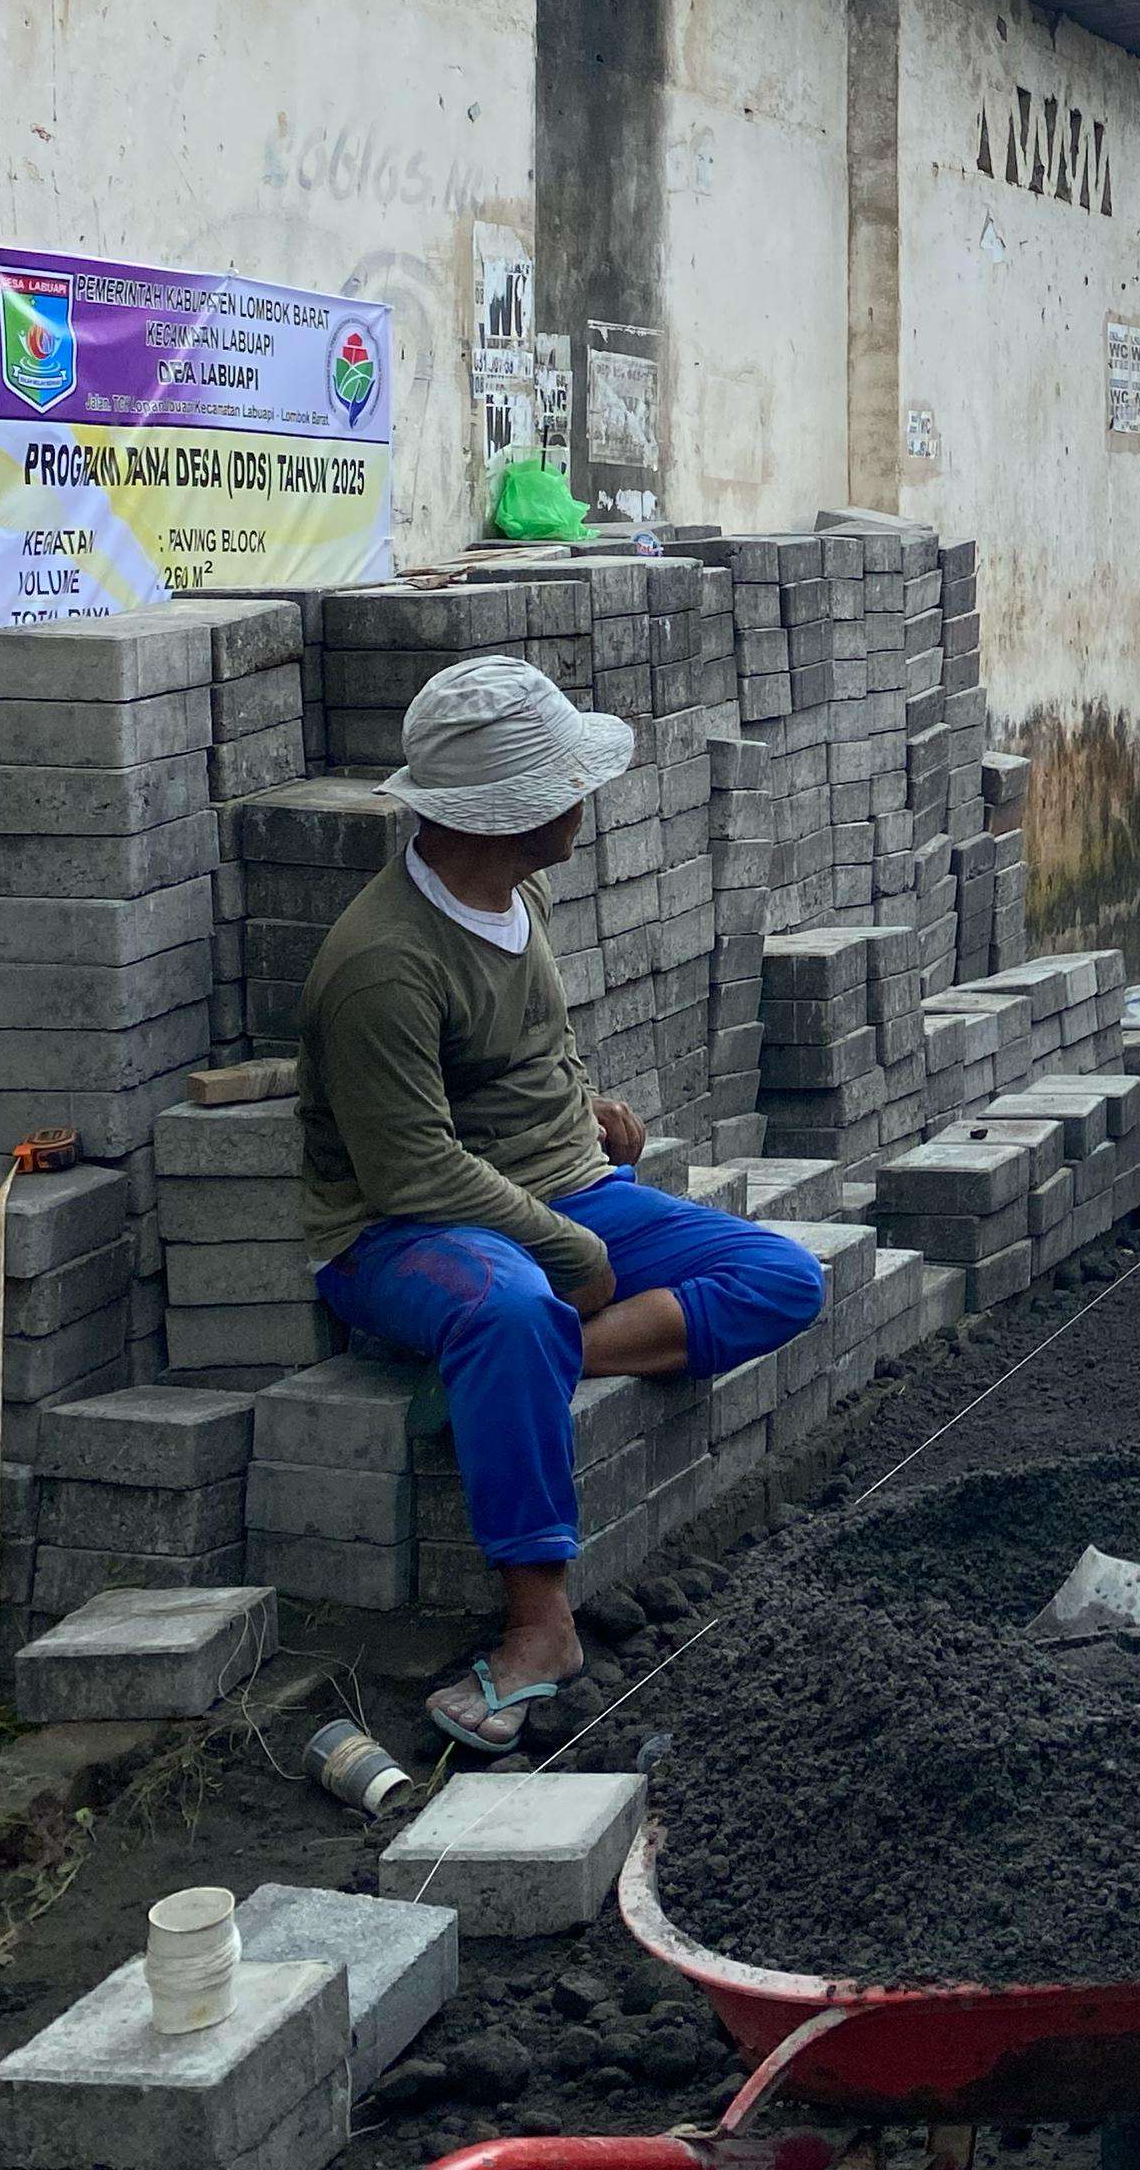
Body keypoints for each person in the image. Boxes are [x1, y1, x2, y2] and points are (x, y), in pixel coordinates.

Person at [299, 657, 827, 1753]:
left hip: (564, 1188)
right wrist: (566, 1247)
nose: (588, 798)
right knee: (509, 1308)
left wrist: (589, 1105)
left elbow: (527, 1050)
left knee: (785, 1278)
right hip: (403, 1233)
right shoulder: (381, 965)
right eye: (568, 782)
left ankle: (544, 1361)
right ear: (512, 812)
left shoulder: (518, 893)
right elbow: (410, 1172)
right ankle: (539, 1626)